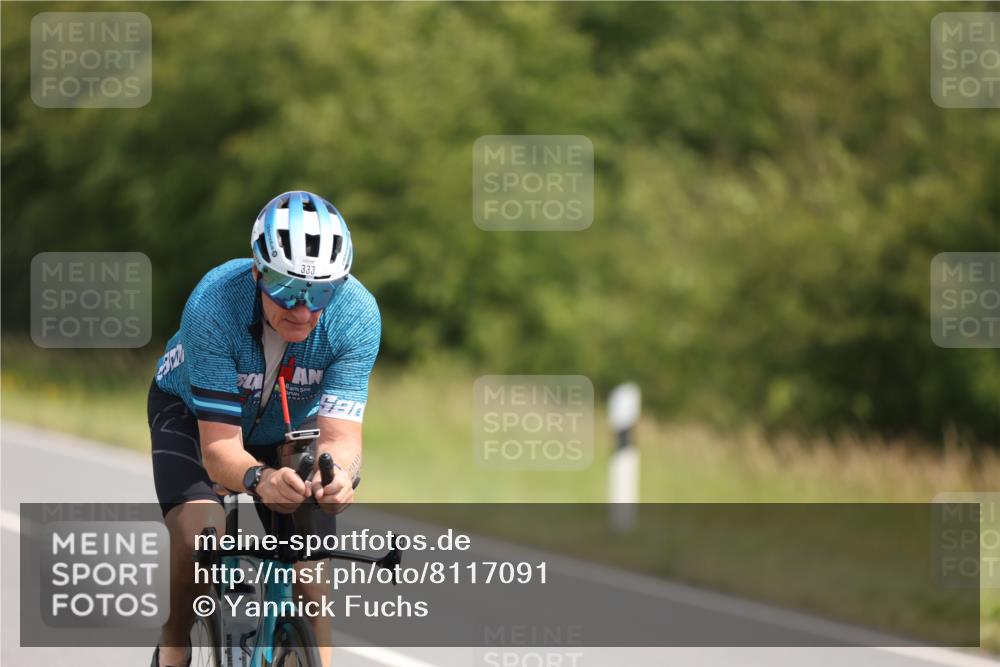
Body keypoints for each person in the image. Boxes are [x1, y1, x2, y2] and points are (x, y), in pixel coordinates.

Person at [148, 191, 381, 667]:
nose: (301, 309)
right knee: (201, 537)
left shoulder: (357, 315)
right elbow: (220, 449)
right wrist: (260, 479)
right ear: (257, 272)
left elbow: (341, 438)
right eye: (286, 288)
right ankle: (175, 641)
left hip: (290, 424)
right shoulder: (214, 303)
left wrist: (338, 477)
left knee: (310, 569)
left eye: (320, 293)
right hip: (194, 414)